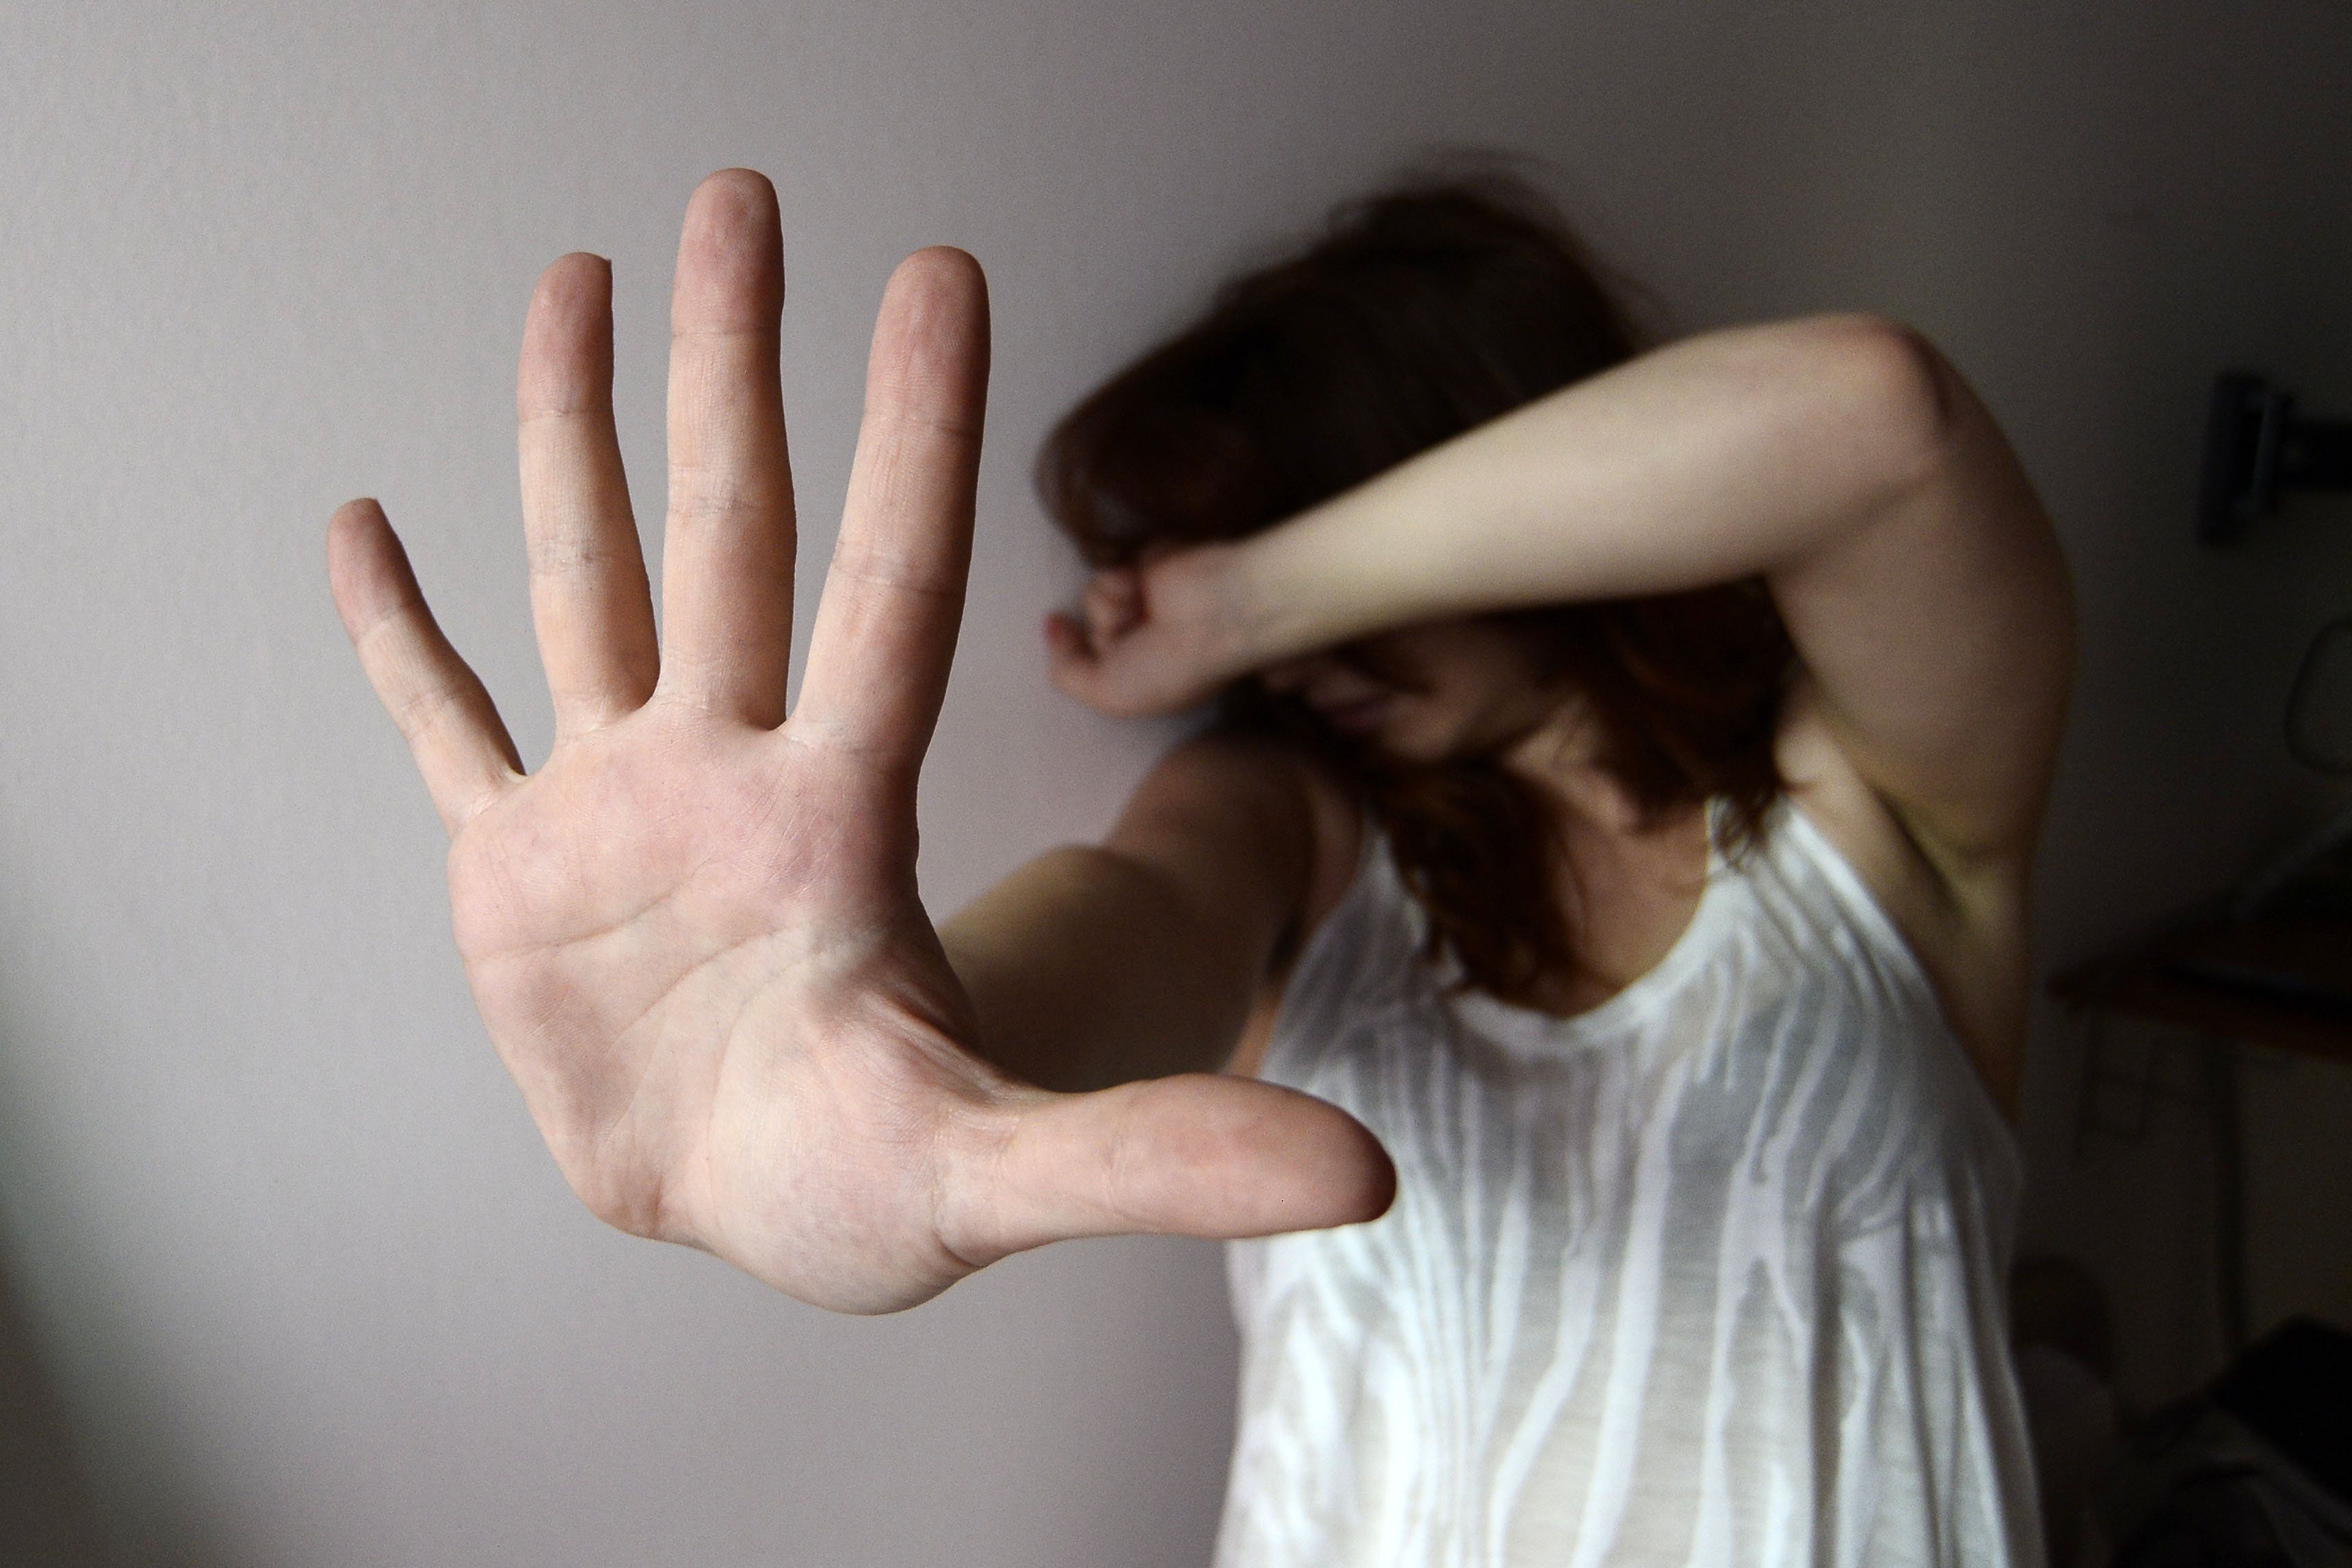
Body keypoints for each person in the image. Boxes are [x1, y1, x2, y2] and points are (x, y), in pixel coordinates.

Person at [329, 166, 2070, 1565]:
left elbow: (1877, 421)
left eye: (1272, 541)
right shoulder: (1297, 825)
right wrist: (906, 1047)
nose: (1257, 644)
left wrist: (1258, 593)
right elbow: (1134, 920)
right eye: (1181, 560)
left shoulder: (1875, 822)